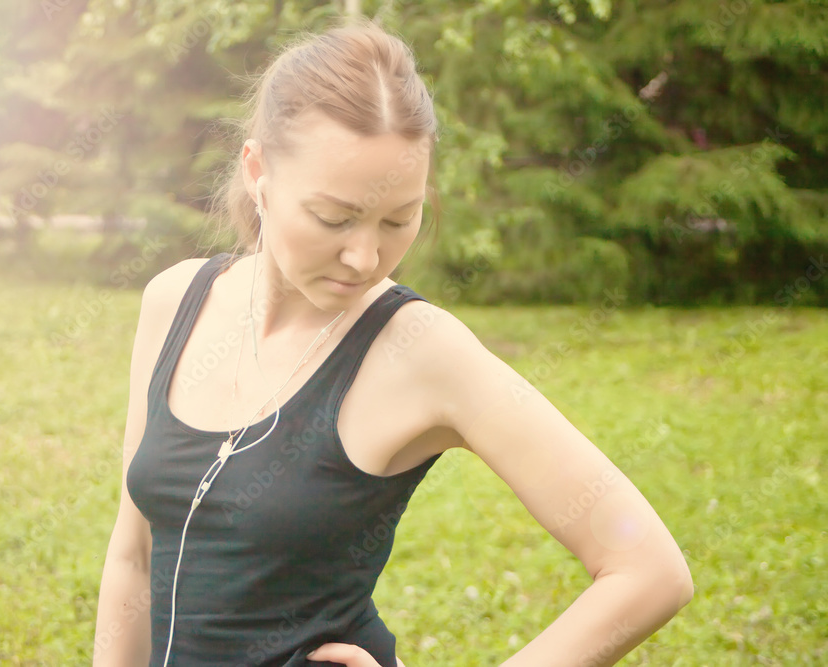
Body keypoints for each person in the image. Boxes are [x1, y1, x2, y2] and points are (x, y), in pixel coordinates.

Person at [92, 17, 693, 667]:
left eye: (399, 219)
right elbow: (134, 556)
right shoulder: (174, 302)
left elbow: (648, 567)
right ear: (257, 169)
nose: (364, 255)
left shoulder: (421, 350)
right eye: (333, 217)